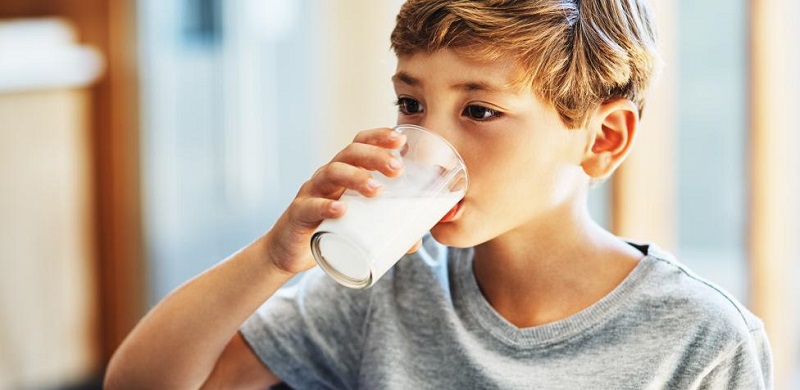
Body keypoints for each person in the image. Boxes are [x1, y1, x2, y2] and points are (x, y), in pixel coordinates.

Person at [104, 0, 773, 388]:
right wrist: (272, 259)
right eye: (411, 102)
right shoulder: (386, 291)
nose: (429, 141)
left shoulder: (701, 340)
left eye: (479, 111)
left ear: (603, 138)